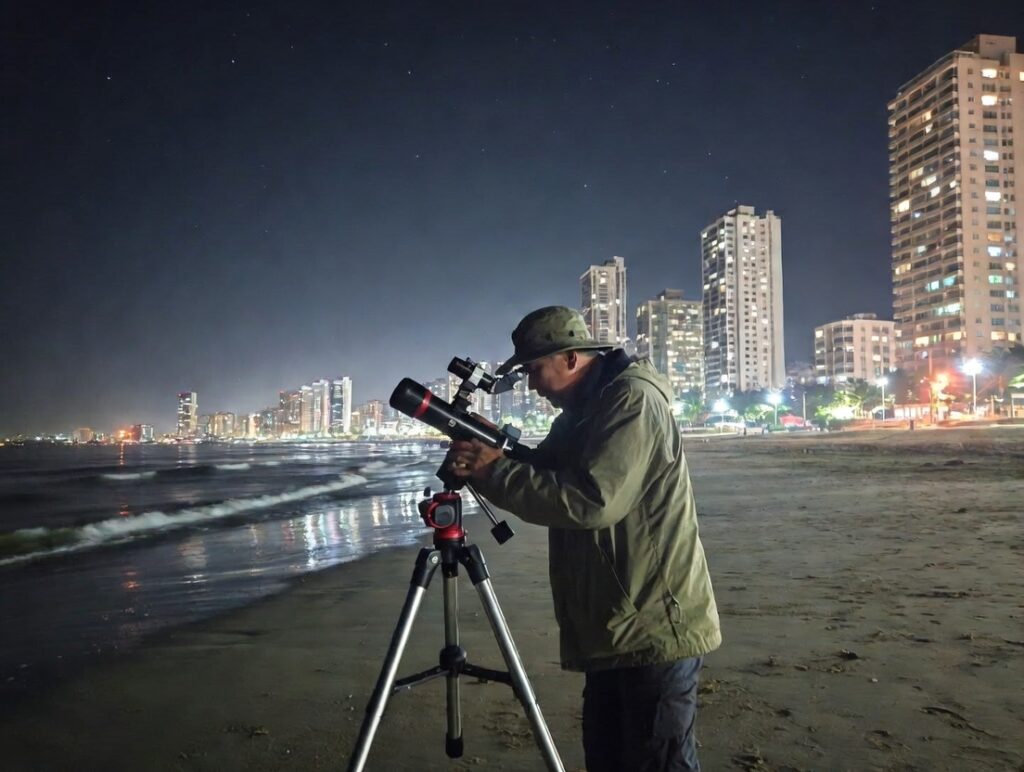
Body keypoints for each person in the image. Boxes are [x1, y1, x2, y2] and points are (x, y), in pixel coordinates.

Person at [446, 306, 721, 772]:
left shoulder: (630, 402)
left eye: (535, 370)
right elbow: (549, 470)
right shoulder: (582, 413)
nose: (532, 385)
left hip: (652, 621)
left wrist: (494, 470)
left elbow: (591, 501)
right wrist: (497, 449)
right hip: (613, 622)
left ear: (571, 358)